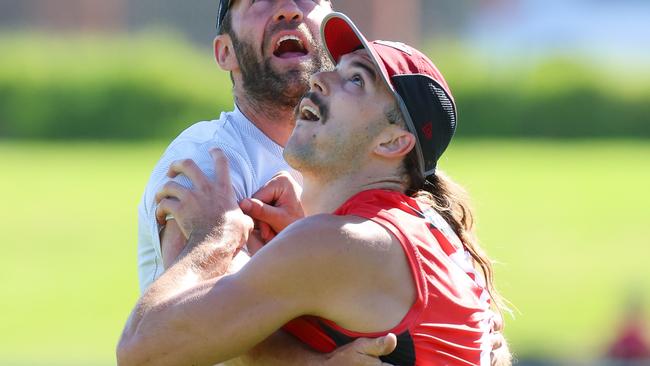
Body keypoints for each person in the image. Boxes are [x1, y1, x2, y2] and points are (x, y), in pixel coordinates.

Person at [118, 12, 511, 366]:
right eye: (337, 68)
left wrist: (215, 237)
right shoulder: (425, 227)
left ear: (392, 143)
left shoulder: (340, 242)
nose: (321, 78)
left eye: (356, 80)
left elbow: (142, 350)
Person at [135, 0, 399, 364]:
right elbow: (203, 323)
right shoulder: (210, 160)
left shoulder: (358, 154)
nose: (288, 10)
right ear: (225, 52)